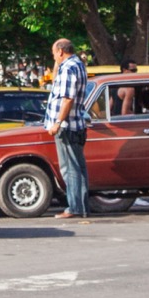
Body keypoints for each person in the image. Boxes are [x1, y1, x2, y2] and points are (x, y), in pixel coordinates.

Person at [45, 37, 91, 221]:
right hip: (76, 123)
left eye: (54, 53)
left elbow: (68, 98)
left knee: (70, 168)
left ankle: (74, 206)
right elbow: (57, 82)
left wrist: (57, 122)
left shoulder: (69, 68)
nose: (53, 56)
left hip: (68, 125)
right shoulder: (77, 65)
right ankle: (81, 205)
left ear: (61, 51)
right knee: (78, 167)